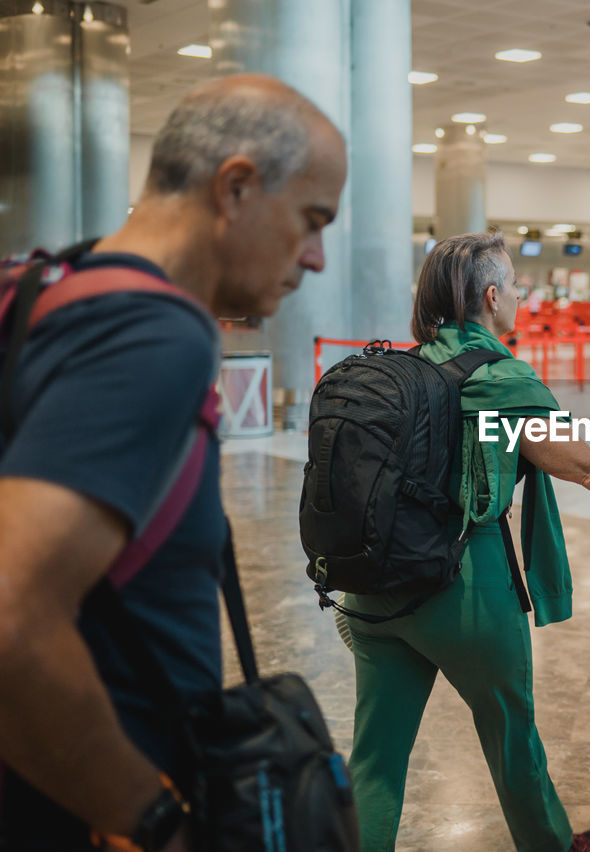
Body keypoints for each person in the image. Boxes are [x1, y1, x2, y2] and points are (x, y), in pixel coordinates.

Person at [0, 75, 346, 851]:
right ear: (236, 188)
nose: (318, 258)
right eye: (311, 220)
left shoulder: (48, 289)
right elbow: (11, 612)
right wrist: (152, 822)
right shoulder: (155, 336)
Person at [339, 231, 590, 852]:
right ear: (493, 297)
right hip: (462, 589)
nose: (523, 296)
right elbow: (589, 468)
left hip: (371, 592)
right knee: (514, 744)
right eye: (516, 286)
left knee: (374, 759)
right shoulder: (498, 377)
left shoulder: (404, 367)